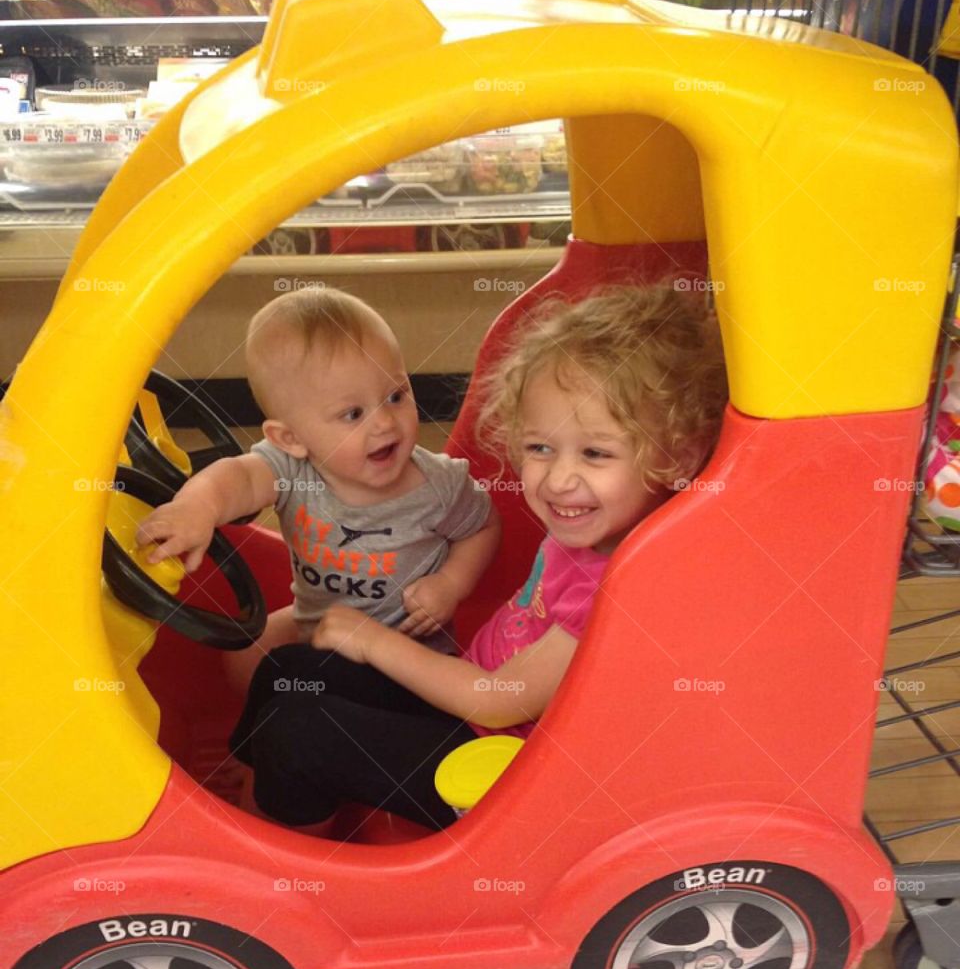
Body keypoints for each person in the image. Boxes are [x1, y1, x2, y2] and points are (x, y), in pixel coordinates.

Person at [228, 282, 729, 833]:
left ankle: (288, 861)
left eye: (595, 453)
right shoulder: (593, 527)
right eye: (541, 448)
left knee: (300, 732)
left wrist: (372, 641)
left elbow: (496, 703)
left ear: (676, 454)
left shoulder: (624, 581)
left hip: (507, 772)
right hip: (470, 709)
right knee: (290, 670)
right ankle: (272, 800)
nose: (560, 479)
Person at [135, 287, 501, 690]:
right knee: (245, 652)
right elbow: (236, 478)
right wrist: (197, 507)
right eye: (353, 414)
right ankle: (261, 736)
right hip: (316, 629)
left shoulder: (440, 485)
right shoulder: (290, 469)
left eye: (396, 396)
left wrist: (450, 584)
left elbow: (482, 526)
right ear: (290, 438)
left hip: (409, 654)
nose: (384, 424)